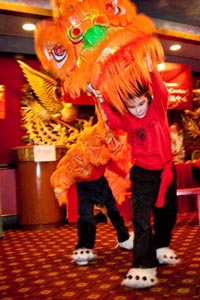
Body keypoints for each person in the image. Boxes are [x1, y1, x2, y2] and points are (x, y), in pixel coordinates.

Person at [98, 56, 180, 288]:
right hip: (142, 174)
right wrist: (100, 96)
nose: (137, 110)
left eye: (140, 104)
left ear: (148, 99)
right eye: (132, 106)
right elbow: (113, 119)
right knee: (141, 218)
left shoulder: (159, 107)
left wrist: (150, 67)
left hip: (165, 171)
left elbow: (159, 86)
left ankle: (161, 246)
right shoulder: (128, 116)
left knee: (167, 215)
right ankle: (144, 264)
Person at [72, 167, 134, 266]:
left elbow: (109, 160)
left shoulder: (101, 151)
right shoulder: (74, 152)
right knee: (86, 216)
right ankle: (84, 248)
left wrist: (122, 172)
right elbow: (65, 168)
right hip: (82, 185)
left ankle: (124, 237)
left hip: (101, 183)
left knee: (114, 210)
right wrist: (60, 184)